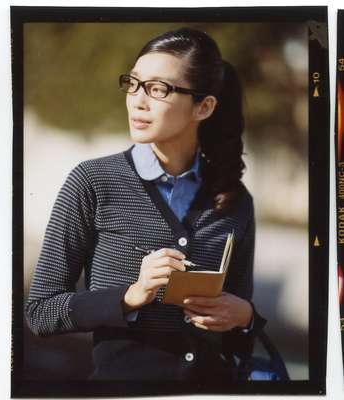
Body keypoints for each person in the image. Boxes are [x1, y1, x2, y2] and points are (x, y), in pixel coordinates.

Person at [25, 27, 266, 387]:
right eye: (134, 83)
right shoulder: (93, 181)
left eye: (158, 89)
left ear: (204, 106)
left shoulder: (234, 201)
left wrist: (244, 316)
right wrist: (129, 296)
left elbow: (237, 328)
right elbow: (40, 312)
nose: (138, 100)